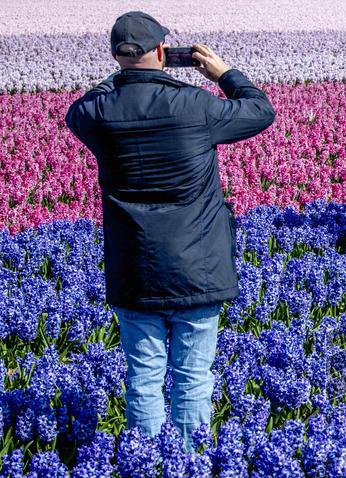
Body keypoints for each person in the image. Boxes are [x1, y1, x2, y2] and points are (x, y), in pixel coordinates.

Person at [65, 11, 275, 449]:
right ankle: (187, 468)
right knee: (193, 376)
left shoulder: (98, 113)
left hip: (134, 269)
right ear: (162, 51)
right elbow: (260, 110)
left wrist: (124, 77)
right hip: (198, 266)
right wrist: (224, 73)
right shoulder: (194, 105)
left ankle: (145, 472)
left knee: (142, 377)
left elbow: (77, 110)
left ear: (117, 57)